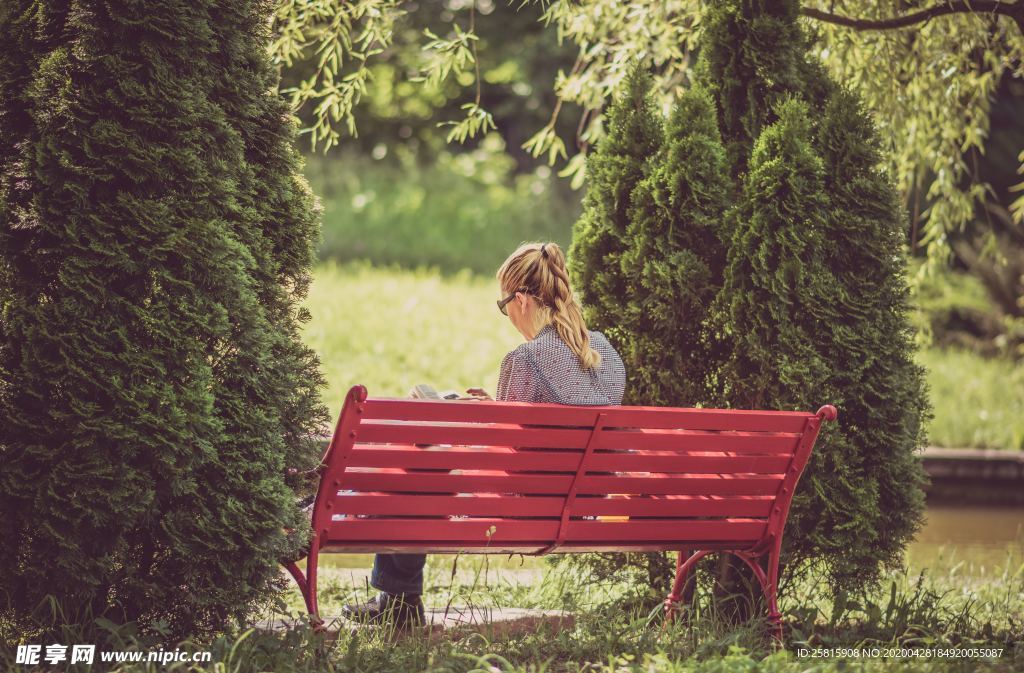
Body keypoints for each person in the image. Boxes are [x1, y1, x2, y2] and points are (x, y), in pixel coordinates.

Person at [342, 242, 626, 628]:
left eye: (504, 304)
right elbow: (555, 423)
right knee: (426, 460)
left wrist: (466, 426)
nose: (507, 315)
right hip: (582, 505)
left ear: (521, 300)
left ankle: (398, 602)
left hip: (524, 510)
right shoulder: (605, 352)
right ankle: (396, 601)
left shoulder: (526, 359)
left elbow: (504, 456)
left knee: (421, 465)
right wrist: (495, 408)